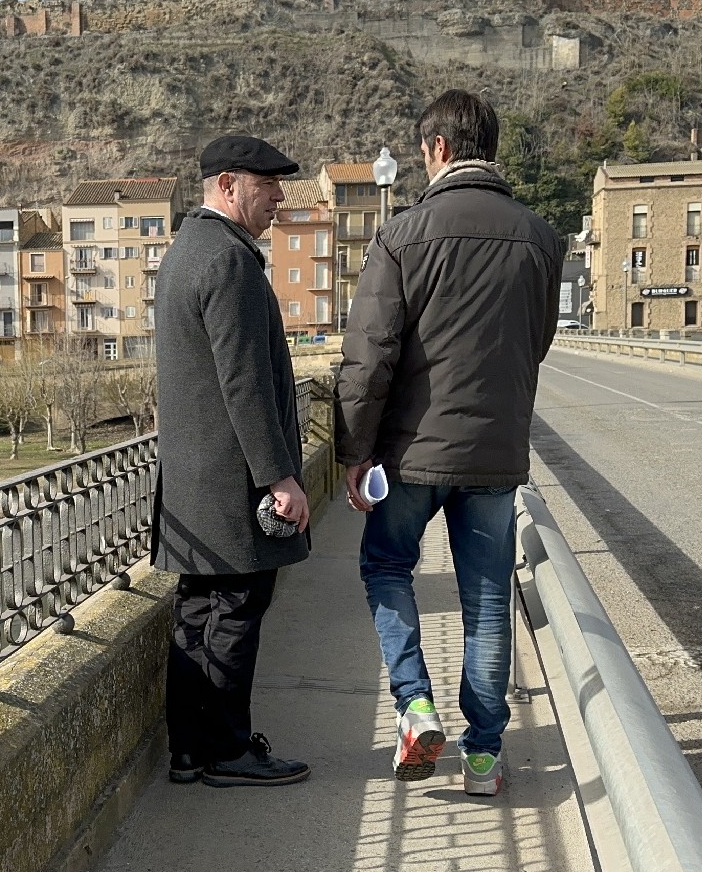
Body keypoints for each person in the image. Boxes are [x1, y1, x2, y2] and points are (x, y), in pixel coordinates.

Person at [335, 90, 564, 796]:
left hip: (410, 454)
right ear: (488, 147)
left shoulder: (401, 236)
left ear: (437, 148)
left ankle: (415, 706)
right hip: (495, 453)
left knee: (385, 566)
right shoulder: (541, 238)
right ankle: (485, 756)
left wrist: (355, 451)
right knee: (488, 600)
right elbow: (538, 341)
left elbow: (369, 355)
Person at [153, 135, 312, 789]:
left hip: (191, 481)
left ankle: (189, 749)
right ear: (228, 184)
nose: (279, 195)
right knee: (237, 610)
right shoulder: (228, 260)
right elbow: (244, 383)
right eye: (266, 183)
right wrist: (280, 477)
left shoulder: (185, 251)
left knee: (197, 613)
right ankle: (228, 749)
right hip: (231, 482)